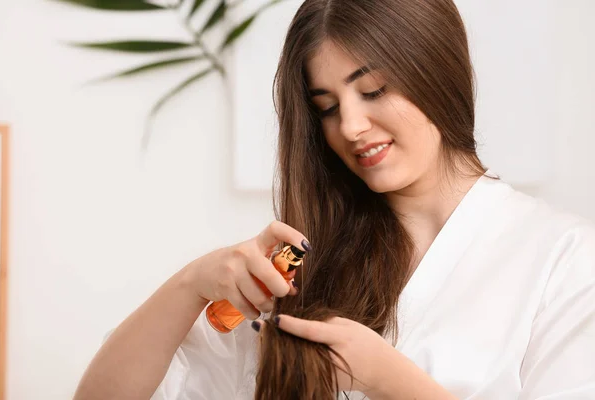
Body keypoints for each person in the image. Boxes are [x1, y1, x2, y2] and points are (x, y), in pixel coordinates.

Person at [73, 0, 595, 399]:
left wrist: (391, 380)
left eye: (372, 91)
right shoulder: (296, 262)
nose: (349, 126)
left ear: (437, 70)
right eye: (326, 106)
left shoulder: (562, 257)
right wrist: (189, 285)